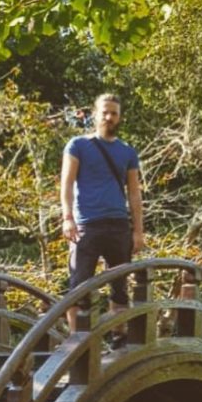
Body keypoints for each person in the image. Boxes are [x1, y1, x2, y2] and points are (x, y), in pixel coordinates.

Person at [60, 93, 144, 340]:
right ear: (95, 114)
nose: (109, 117)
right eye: (105, 112)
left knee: (120, 288)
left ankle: (118, 340)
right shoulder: (77, 145)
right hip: (86, 225)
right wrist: (67, 217)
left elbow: (134, 193)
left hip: (118, 225)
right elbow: (66, 184)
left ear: (120, 117)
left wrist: (138, 231)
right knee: (78, 288)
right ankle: (77, 343)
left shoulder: (127, 152)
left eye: (114, 113)